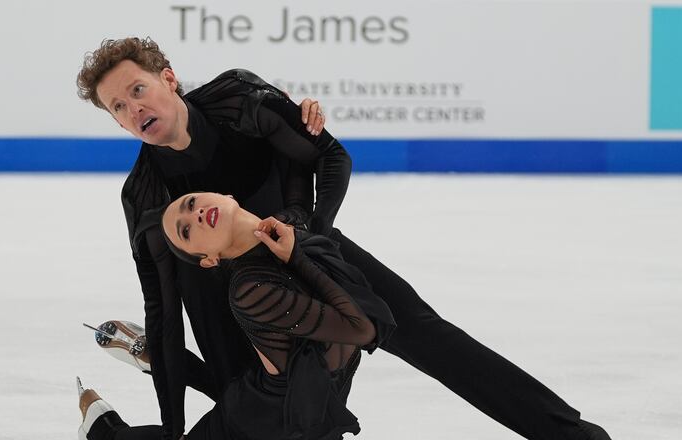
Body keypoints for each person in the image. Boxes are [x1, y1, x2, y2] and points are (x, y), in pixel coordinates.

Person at [76, 37, 611, 440]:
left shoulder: (239, 99)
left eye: (137, 90)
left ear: (168, 79)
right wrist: (172, 427)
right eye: (118, 107)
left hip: (310, 244)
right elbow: (165, 310)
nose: (133, 109)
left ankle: (572, 435)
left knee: (429, 336)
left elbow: (332, 157)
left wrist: (310, 235)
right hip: (228, 297)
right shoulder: (145, 196)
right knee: (272, 414)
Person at [78, 192, 396, 440]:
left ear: (226, 197)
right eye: (186, 230)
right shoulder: (251, 288)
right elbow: (362, 330)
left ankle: (165, 362)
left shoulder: (287, 235)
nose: (197, 214)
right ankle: (102, 427)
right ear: (209, 259)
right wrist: (297, 256)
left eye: (191, 204)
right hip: (266, 418)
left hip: (311, 392)